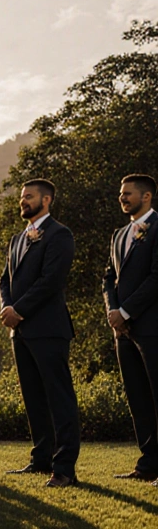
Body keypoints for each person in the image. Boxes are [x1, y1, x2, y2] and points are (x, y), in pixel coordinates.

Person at [0, 179, 80, 488]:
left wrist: (19, 309)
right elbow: (4, 280)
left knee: (59, 399)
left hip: (48, 328)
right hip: (19, 331)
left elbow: (52, 280)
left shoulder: (60, 235)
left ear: (46, 200)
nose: (23, 201)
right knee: (33, 398)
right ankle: (40, 459)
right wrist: (7, 306)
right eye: (22, 197)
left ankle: (65, 469)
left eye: (29, 197)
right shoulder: (17, 239)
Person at [103, 174, 158, 487]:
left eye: (128, 193)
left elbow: (156, 278)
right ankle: (148, 464)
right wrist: (113, 310)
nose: (122, 198)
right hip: (122, 331)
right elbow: (108, 277)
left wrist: (126, 311)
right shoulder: (119, 234)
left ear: (146, 196)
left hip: (151, 326)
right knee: (138, 398)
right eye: (121, 193)